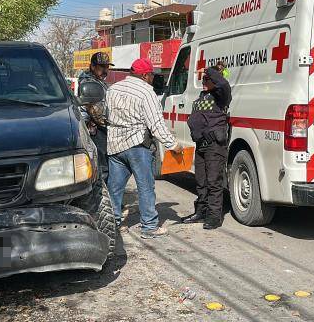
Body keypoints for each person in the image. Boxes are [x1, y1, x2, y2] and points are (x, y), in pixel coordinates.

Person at [106, 58, 182, 239]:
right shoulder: (147, 92)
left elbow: (106, 115)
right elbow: (156, 124)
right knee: (145, 187)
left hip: (115, 144)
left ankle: (113, 224)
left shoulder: (112, 89)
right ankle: (149, 226)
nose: (152, 79)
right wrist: (173, 145)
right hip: (138, 146)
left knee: (114, 189)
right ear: (145, 75)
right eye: (151, 75)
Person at [182, 66, 232, 229]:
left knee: (213, 182)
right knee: (201, 181)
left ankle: (213, 217)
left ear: (215, 80)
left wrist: (210, 71)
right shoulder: (202, 96)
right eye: (203, 79)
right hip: (201, 144)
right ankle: (200, 212)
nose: (204, 82)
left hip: (214, 146)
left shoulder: (221, 96)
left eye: (207, 80)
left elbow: (223, 84)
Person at [78, 52, 110, 181]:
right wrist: (112, 125)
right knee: (103, 168)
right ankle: (103, 197)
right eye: (101, 67)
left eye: (107, 67)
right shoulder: (88, 82)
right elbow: (96, 112)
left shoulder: (98, 81)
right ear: (92, 66)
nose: (105, 70)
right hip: (95, 129)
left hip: (100, 127)